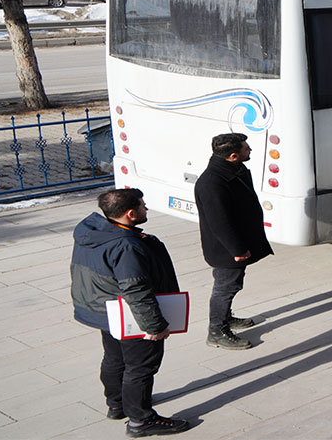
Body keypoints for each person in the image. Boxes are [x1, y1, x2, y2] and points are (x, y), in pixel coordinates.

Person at [70, 188, 190, 437]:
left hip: (106, 310)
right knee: (141, 367)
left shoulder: (93, 232)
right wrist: (154, 326)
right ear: (130, 214)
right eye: (143, 206)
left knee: (115, 359)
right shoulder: (126, 245)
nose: (147, 209)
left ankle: (117, 404)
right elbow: (136, 289)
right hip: (131, 315)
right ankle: (140, 420)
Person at [195, 133, 274, 350]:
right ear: (232, 156)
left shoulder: (229, 170)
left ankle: (226, 318)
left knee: (230, 285)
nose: (249, 151)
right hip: (227, 249)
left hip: (235, 243)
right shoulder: (212, 182)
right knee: (225, 287)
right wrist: (237, 249)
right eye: (246, 148)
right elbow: (219, 222)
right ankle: (217, 331)